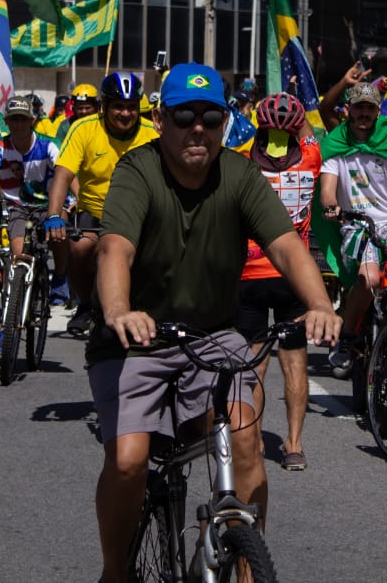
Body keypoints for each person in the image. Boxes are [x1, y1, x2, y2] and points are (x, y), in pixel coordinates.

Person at [89, 63, 340, 583]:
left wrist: (320, 304)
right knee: (131, 460)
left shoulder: (239, 173)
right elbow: (115, 248)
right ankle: (115, 571)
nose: (197, 127)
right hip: (136, 338)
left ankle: (249, 568)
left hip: (214, 335)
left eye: (210, 116)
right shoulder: (138, 170)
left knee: (245, 439)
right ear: (160, 120)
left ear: (226, 122)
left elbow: (286, 244)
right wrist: (118, 311)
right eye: (184, 116)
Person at [237, 93, 320, 471]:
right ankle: (294, 445)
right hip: (294, 276)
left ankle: (251, 441)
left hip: (248, 274)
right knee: (294, 365)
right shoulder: (311, 160)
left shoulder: (239, 163)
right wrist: (299, 116)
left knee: (254, 366)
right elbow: (310, 132)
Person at [316, 82, 387, 370]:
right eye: (359, 107)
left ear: (378, 111)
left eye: (370, 108)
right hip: (356, 224)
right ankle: (348, 336)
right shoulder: (337, 143)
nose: (364, 113)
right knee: (370, 279)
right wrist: (330, 207)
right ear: (348, 110)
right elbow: (327, 189)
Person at [46, 72, 158, 336]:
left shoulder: (153, 133)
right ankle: (86, 304)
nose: (125, 113)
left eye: (131, 107)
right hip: (94, 210)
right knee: (79, 248)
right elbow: (63, 175)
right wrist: (53, 215)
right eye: (118, 106)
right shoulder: (83, 128)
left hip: (139, 213)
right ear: (104, 106)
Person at [0, 95, 63, 351]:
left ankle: (60, 277)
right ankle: (11, 323)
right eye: (13, 118)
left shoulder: (49, 145)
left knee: (60, 231)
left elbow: (64, 173)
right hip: (18, 209)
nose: (18, 124)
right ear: (7, 121)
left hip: (49, 207)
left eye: (22, 119)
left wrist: (74, 200)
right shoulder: (0, 146)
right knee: (19, 259)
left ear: (32, 121)